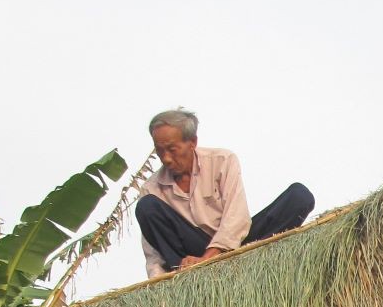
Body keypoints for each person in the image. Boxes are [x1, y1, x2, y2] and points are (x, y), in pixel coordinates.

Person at [135, 109, 315, 278]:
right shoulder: (151, 189)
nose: (166, 158)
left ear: (192, 143)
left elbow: (237, 218)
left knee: (299, 196)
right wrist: (159, 285)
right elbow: (154, 255)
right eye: (160, 151)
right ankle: (185, 279)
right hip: (189, 260)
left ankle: (249, 259)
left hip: (237, 246)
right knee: (147, 207)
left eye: (172, 150)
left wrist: (210, 257)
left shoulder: (222, 161)